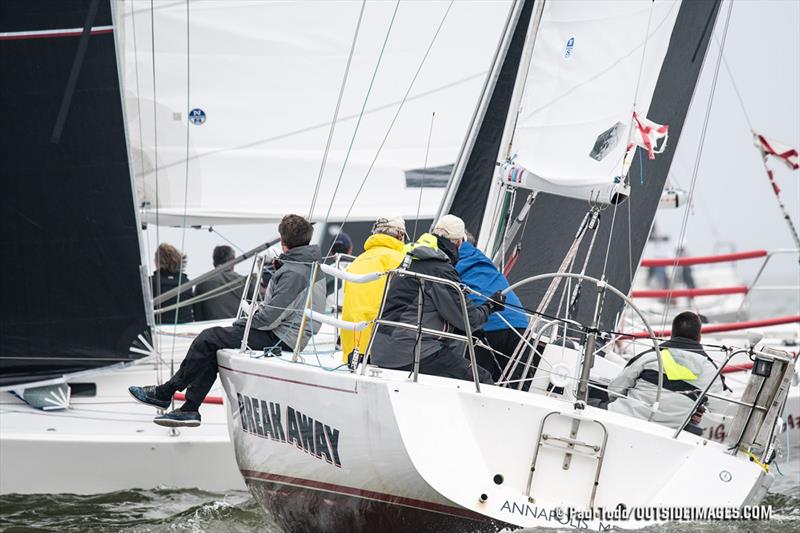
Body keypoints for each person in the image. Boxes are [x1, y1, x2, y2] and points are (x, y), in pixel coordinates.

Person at [129, 215, 325, 427]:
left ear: (283, 242)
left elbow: (270, 318)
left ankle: (165, 392)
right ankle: (190, 409)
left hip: (282, 338)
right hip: (289, 335)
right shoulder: (308, 264)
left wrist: (240, 324)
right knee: (215, 346)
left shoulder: (294, 272)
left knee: (208, 337)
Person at [369, 215, 504, 384]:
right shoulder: (440, 270)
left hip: (380, 350)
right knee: (482, 379)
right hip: (411, 351)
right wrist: (490, 306)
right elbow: (468, 320)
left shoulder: (409, 261)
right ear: (458, 243)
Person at [607, 311, 724, 430]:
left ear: (672, 334)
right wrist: (698, 410)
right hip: (670, 432)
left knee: (592, 399)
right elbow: (719, 409)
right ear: (699, 337)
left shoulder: (650, 357)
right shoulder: (711, 372)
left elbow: (614, 389)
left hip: (625, 419)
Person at [455, 232, 531, 382]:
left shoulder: (451, 261)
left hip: (489, 326)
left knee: (478, 383)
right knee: (514, 387)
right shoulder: (482, 259)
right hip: (520, 326)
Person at [340, 217, 407, 363]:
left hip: (351, 351)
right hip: (379, 352)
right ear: (400, 236)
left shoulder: (357, 261)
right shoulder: (401, 261)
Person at [193, 245, 245, 321]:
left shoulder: (202, 282)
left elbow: (198, 315)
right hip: (237, 329)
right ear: (233, 261)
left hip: (211, 329)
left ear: (214, 261)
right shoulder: (244, 281)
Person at [151, 243, 194, 324]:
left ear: (158, 261)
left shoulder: (150, 283)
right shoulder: (186, 282)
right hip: (185, 329)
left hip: (160, 331)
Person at [326, 232, 354, 312]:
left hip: (327, 319)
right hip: (351, 320)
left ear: (331, 252)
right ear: (350, 249)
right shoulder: (360, 270)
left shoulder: (323, 272)